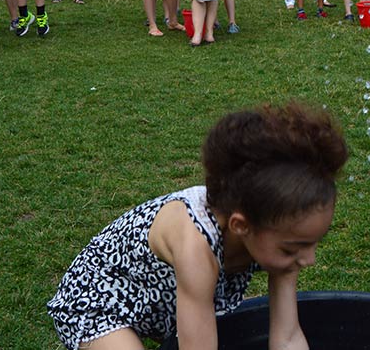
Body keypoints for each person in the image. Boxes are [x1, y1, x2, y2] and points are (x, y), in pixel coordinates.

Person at [47, 102, 349, 350]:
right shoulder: (196, 246)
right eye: (295, 248)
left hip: (163, 297)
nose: (309, 259)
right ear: (241, 225)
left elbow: (287, 336)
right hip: (100, 300)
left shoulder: (281, 238)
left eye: (313, 243)